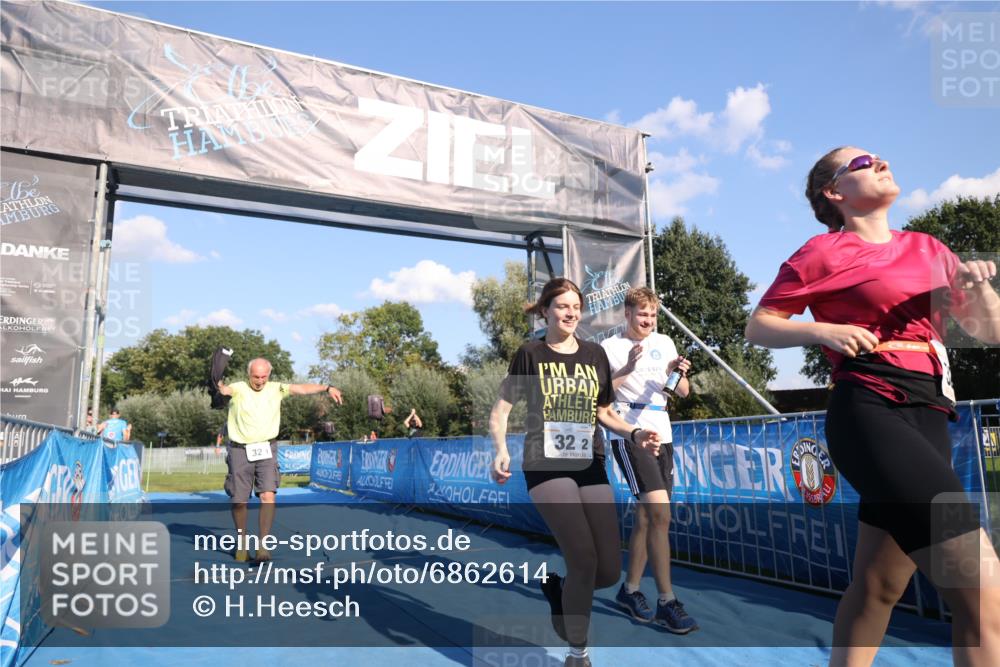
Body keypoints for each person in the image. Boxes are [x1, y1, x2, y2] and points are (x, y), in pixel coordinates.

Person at [745, 146, 1000, 666]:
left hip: (930, 413)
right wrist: (824, 330)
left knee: (879, 585)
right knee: (984, 593)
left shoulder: (929, 248)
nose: (879, 162)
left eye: (880, 156)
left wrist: (982, 292)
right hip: (870, 408)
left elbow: (987, 331)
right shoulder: (820, 252)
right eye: (861, 163)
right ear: (834, 193)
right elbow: (759, 325)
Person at [489, 278, 661, 667]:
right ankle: (577, 654)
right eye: (562, 306)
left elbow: (603, 412)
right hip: (545, 464)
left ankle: (563, 591)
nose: (570, 313)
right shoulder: (529, 354)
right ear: (546, 310)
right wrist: (500, 449)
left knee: (607, 572)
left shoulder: (594, 354)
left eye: (576, 308)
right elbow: (502, 409)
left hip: (590, 462)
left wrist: (634, 433)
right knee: (582, 558)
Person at [600, 286, 698, 633]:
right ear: (627, 314)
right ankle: (667, 600)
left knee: (647, 518)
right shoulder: (610, 347)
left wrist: (680, 371)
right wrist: (628, 365)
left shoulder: (665, 342)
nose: (648, 321)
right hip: (630, 431)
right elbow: (602, 397)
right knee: (660, 514)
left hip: (663, 430)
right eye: (643, 315)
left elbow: (682, 392)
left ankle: (629, 590)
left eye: (653, 315)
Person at [216, 358, 343, 562]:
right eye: (256, 376)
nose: (260, 381)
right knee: (239, 501)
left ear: (269, 374)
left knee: (268, 495)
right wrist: (220, 387)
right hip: (240, 450)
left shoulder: (277, 388)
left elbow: (302, 388)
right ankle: (241, 544)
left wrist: (327, 387)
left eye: (264, 376)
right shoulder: (238, 388)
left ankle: (263, 546)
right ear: (249, 374)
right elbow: (225, 391)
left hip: (267, 448)